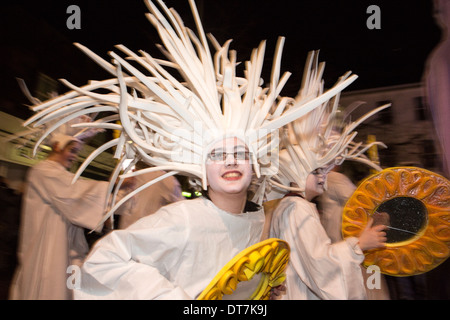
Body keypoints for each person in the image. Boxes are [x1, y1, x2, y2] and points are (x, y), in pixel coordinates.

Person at [18, 1, 360, 299]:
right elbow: (104, 262)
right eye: (217, 154)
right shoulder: (182, 218)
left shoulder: (257, 220)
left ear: (256, 164)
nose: (230, 161)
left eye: (240, 153)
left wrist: (258, 291)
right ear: (203, 167)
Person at [267, 59, 390, 299]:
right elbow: (320, 266)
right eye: (315, 171)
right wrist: (359, 245)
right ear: (294, 171)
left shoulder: (291, 206)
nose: (324, 176)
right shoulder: (297, 208)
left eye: (324, 170)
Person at [8, 131, 133, 300]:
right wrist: (116, 187)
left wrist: (119, 194)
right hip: (48, 247)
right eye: (72, 150)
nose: (74, 156)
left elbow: (80, 196)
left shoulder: (56, 174)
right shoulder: (43, 171)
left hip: (62, 247)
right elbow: (76, 193)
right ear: (58, 146)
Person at [315, 168, 391, 300]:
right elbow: (362, 201)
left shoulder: (327, 178)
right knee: (369, 285)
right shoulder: (335, 177)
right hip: (355, 241)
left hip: (344, 241)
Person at [118, 163, 184, 229]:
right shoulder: (168, 179)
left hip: (127, 226)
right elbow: (182, 206)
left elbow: (119, 199)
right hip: (146, 228)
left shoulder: (135, 174)